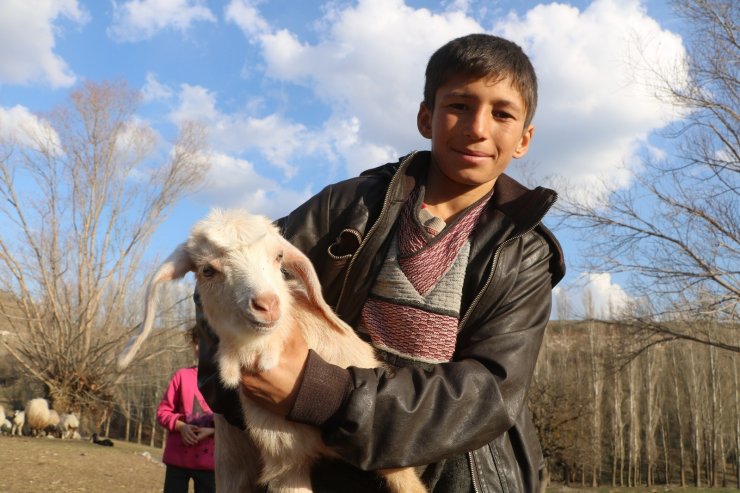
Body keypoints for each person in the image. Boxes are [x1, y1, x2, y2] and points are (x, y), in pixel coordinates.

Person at [197, 33, 565, 492]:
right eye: (460, 106)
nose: (478, 128)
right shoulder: (345, 206)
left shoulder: (526, 253)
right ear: (425, 117)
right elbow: (222, 270)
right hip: (323, 468)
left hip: (456, 474)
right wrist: (236, 390)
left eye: (502, 113)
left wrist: (318, 394)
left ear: (524, 138)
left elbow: (488, 393)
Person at [158, 326, 216, 493]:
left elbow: (232, 422)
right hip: (177, 461)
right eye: (195, 343)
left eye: (203, 343)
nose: (197, 348)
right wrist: (181, 426)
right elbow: (162, 412)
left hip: (210, 464)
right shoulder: (181, 376)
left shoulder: (223, 382)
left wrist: (211, 431)